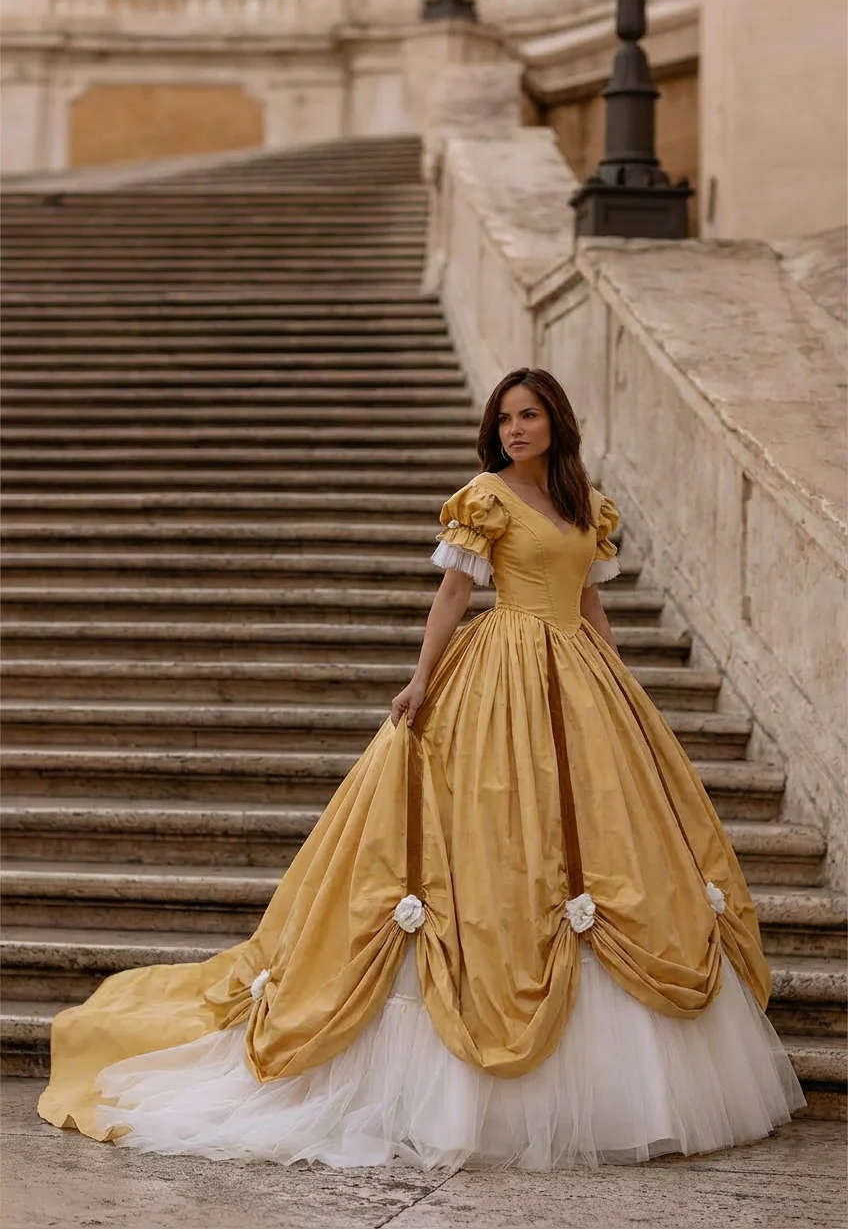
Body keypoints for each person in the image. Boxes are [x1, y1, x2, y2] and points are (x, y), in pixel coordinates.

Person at [38, 367, 804, 1168]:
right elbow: (451, 595)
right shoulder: (486, 494)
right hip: (501, 671)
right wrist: (421, 677)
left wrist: (618, 685)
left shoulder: (585, 505)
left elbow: (589, 604)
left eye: (530, 415)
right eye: (504, 417)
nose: (515, 429)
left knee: (604, 856)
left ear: (556, 423)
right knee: (496, 845)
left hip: (581, 680)